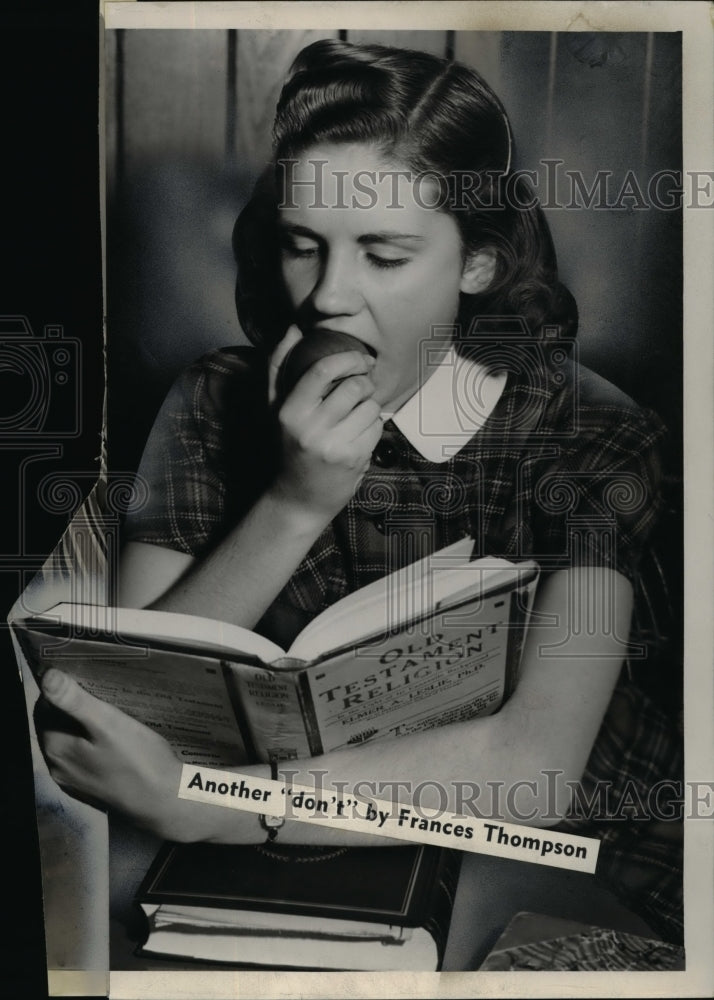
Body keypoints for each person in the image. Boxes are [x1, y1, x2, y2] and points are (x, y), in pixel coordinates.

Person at [37, 39, 680, 938]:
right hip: (301, 861)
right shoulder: (216, 397)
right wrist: (296, 502)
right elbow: (133, 703)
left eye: (384, 255)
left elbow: (535, 761)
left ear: (477, 265)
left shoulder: (588, 430)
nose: (328, 298)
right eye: (305, 247)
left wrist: (212, 803)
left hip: (575, 855)